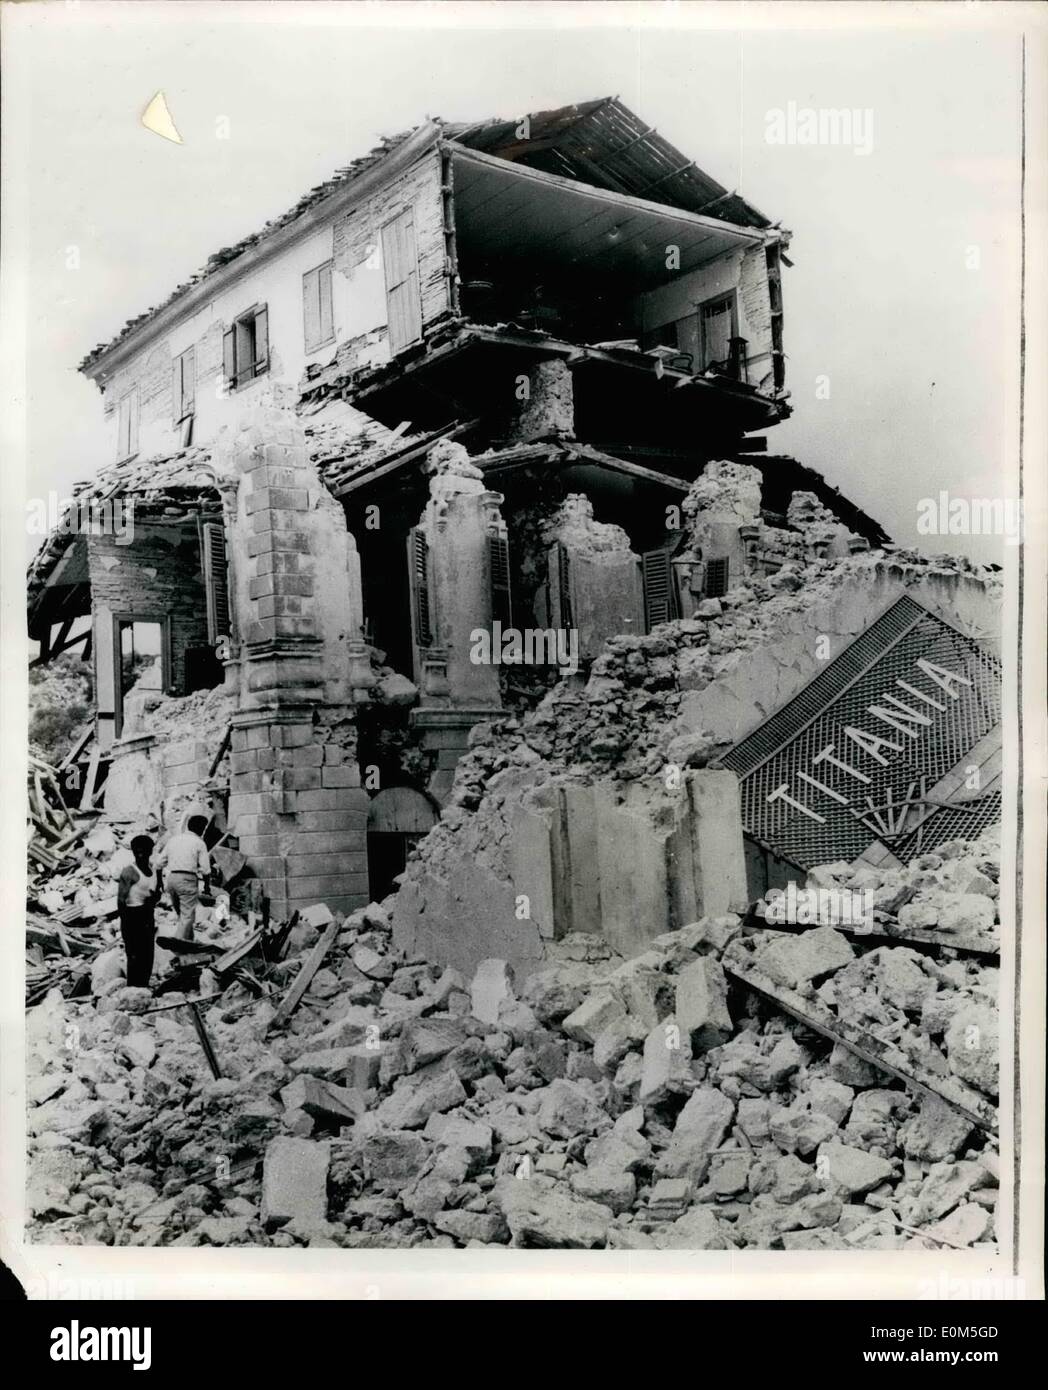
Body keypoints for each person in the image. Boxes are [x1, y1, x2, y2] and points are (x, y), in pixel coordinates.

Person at [155, 815, 211, 942]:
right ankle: (180, 945)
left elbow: (158, 864)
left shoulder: (174, 840)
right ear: (202, 828)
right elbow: (206, 870)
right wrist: (207, 887)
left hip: (172, 879)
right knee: (187, 917)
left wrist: (159, 882)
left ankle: (188, 941)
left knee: (182, 916)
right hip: (188, 880)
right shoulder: (199, 843)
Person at [117, 835, 159, 988]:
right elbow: (121, 900)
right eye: (137, 852)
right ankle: (133, 988)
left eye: (143, 852)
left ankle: (144, 987)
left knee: (148, 954)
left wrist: (153, 900)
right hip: (132, 915)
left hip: (147, 914)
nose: (140, 855)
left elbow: (156, 892)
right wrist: (124, 925)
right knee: (134, 955)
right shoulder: (129, 872)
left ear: (150, 851)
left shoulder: (153, 870)